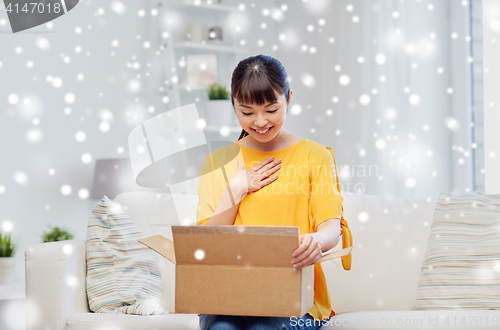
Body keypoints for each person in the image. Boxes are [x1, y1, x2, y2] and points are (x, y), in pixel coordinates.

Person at [196, 54, 344, 330]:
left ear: (289, 98)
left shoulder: (315, 156)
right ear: (234, 106)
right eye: (248, 112)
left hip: (295, 298)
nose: (260, 122)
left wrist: (316, 240)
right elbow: (207, 246)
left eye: (271, 109)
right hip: (227, 296)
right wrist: (235, 189)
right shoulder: (216, 162)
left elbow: (330, 230)